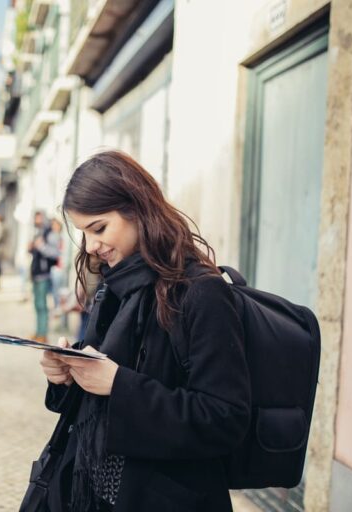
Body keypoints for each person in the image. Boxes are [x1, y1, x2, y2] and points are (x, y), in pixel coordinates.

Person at [35, 150, 251, 511]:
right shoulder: (114, 286)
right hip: (90, 492)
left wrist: (118, 384)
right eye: (83, 233)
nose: (91, 246)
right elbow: (97, 392)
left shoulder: (201, 291)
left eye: (99, 228)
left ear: (137, 209)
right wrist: (67, 375)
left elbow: (224, 420)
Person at [28, 211, 60, 342]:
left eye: (40, 218)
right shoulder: (38, 232)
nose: (38, 221)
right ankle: (38, 332)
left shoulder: (50, 234)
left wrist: (41, 246)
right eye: (36, 218)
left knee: (42, 305)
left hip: (44, 274)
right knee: (37, 305)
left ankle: (43, 334)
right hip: (35, 273)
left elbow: (55, 253)